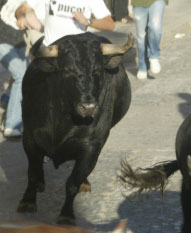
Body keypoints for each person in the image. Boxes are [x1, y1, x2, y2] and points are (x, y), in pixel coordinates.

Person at [15, 0, 114, 46]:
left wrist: (88, 21)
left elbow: (110, 24)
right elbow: (22, 8)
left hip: (75, 52)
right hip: (50, 50)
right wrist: (21, 16)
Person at [0, 0, 28, 138]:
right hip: (2, 42)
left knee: (28, 74)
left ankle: (6, 101)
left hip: (21, 43)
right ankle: (11, 125)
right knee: (21, 74)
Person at [131, 0, 167, 80]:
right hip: (138, 2)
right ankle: (142, 66)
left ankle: (154, 55)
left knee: (155, 26)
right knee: (141, 35)